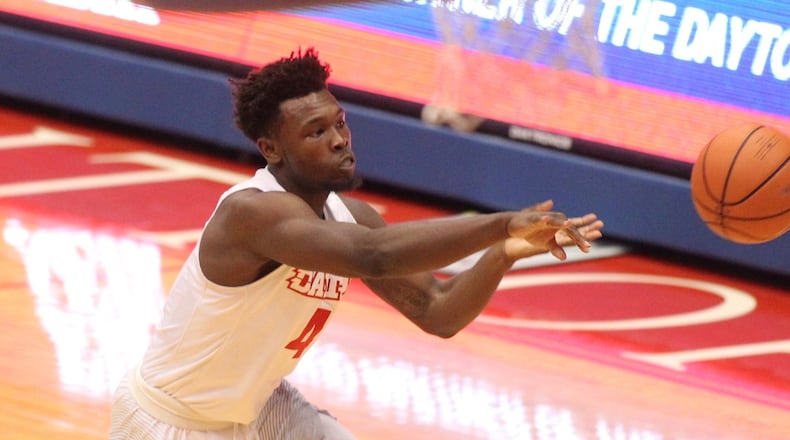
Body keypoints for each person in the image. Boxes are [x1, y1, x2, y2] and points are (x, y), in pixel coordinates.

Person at [110, 47, 604, 439]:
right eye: (316, 131)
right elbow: (375, 255)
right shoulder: (252, 212)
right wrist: (501, 224)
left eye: (340, 122)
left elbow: (439, 311)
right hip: (172, 421)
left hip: (260, 411)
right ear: (271, 149)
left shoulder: (349, 216)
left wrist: (501, 255)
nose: (340, 139)